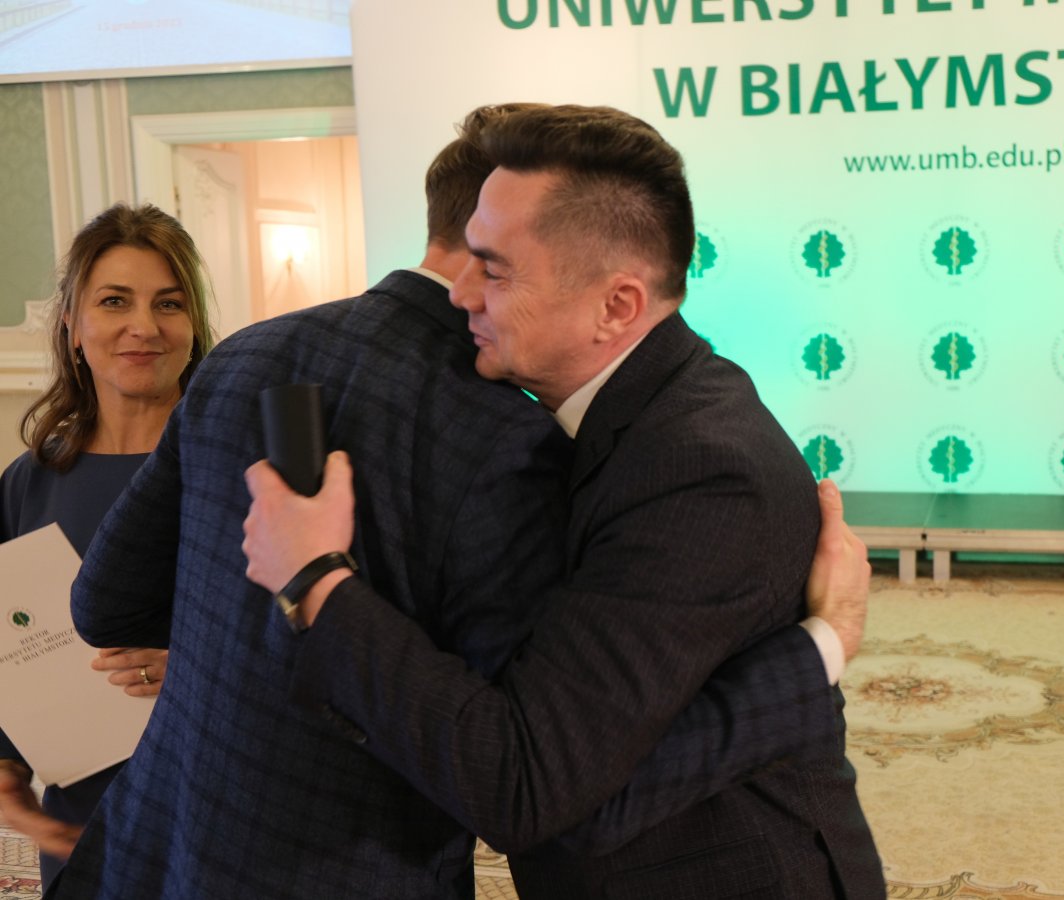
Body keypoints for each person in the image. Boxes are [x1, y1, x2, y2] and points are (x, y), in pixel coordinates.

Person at [51, 106, 867, 899]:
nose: (462, 292)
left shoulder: (703, 470)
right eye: (470, 255)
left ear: (616, 305)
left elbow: (535, 788)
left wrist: (819, 653)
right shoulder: (548, 428)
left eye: (495, 268)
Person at [0, 203, 215, 890]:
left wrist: (194, 668)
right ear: (72, 325)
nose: (144, 327)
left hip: (218, 804)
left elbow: (310, 636)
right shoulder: (29, 482)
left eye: (169, 303)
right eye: (115, 301)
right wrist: (5, 765)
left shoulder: (236, 467)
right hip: (81, 818)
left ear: (193, 327)